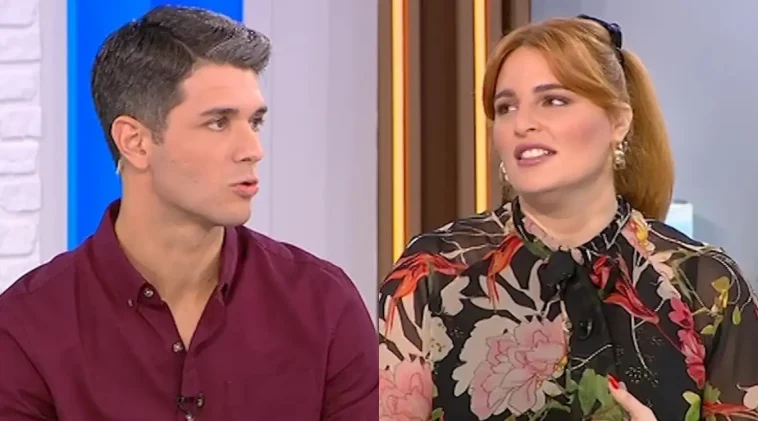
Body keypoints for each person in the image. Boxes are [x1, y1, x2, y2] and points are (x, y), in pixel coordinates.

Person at [0, 6, 377, 420]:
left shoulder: (324, 306)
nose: (252, 150)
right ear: (135, 142)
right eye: (219, 123)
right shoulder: (27, 327)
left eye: (254, 122)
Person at [378, 14, 758, 421]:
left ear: (618, 122)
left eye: (554, 100)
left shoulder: (705, 285)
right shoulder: (432, 271)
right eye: (506, 107)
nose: (522, 124)